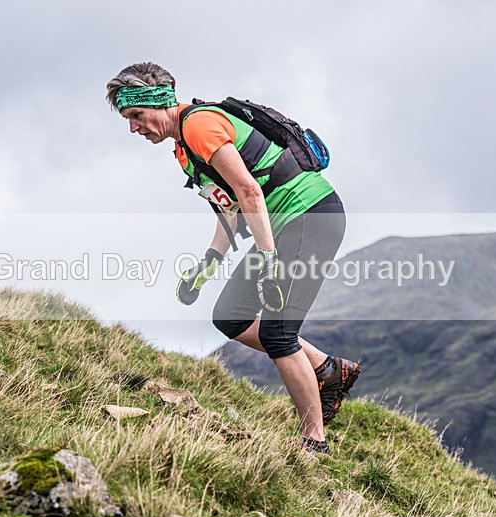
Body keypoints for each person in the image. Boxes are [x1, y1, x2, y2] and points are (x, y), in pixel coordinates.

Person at [106, 62, 359, 454]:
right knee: (230, 315)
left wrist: (269, 261)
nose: (133, 128)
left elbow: (250, 193)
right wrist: (207, 264)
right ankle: (327, 369)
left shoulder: (200, 125)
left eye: (136, 116)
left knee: (279, 333)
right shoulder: (183, 151)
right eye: (128, 120)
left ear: (156, 102)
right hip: (277, 229)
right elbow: (230, 210)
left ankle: (315, 443)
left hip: (310, 216)